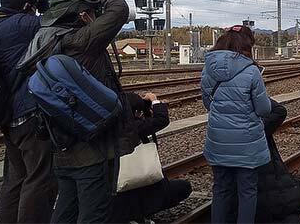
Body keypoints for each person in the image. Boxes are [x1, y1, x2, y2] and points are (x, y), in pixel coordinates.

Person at [18, 0, 129, 223]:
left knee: (66, 211)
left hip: (61, 143)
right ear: (83, 15)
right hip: (92, 148)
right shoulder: (82, 40)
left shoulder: (45, 41)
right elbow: (119, 9)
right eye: (91, 11)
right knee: (94, 214)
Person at [0, 0, 55, 223]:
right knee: (39, 179)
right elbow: (56, 20)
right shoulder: (23, 25)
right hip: (29, 114)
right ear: (27, 7)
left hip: (9, 116)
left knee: (15, 179)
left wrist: (37, 1)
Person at [200, 25, 271, 224]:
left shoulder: (208, 68)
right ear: (247, 45)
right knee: (247, 190)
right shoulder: (251, 71)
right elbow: (264, 109)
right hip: (247, 143)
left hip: (218, 140)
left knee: (221, 188)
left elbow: (208, 103)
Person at [109, 92, 192, 223]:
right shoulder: (133, 127)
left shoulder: (111, 127)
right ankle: (140, 215)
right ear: (136, 112)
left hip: (115, 198)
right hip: (140, 193)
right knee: (183, 187)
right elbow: (161, 120)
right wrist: (154, 101)